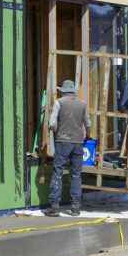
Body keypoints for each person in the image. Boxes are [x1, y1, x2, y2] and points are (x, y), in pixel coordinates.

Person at [45, 80, 91, 217]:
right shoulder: (82, 104)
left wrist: (58, 132)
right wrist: (87, 136)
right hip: (78, 143)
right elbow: (88, 124)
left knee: (58, 172)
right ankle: (75, 207)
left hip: (63, 141)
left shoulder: (59, 102)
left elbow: (52, 123)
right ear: (73, 91)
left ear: (63, 91)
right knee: (76, 174)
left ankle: (55, 207)